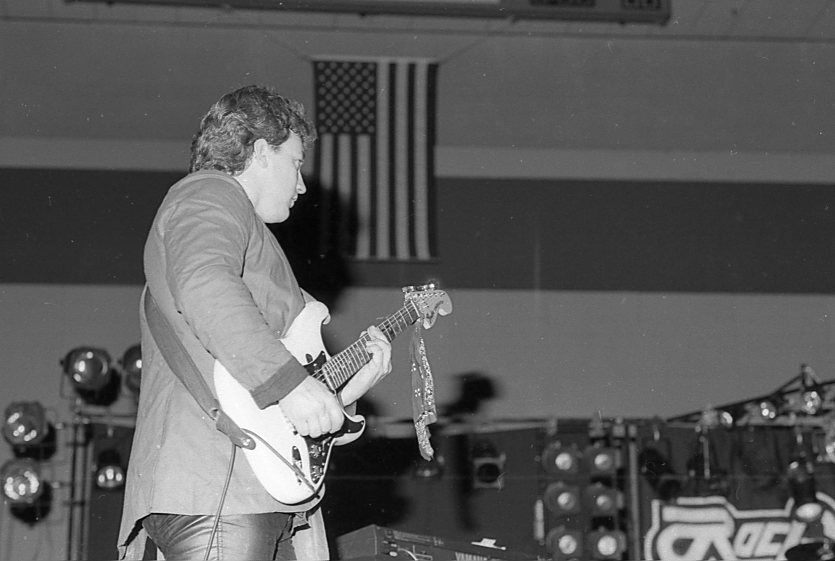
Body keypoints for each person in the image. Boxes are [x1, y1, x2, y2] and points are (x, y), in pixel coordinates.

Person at [118, 85, 393, 560]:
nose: (302, 185)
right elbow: (205, 284)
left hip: (246, 488)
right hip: (218, 481)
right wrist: (290, 385)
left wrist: (344, 391)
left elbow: (270, 400)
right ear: (262, 152)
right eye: (296, 163)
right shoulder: (210, 193)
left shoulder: (239, 224)